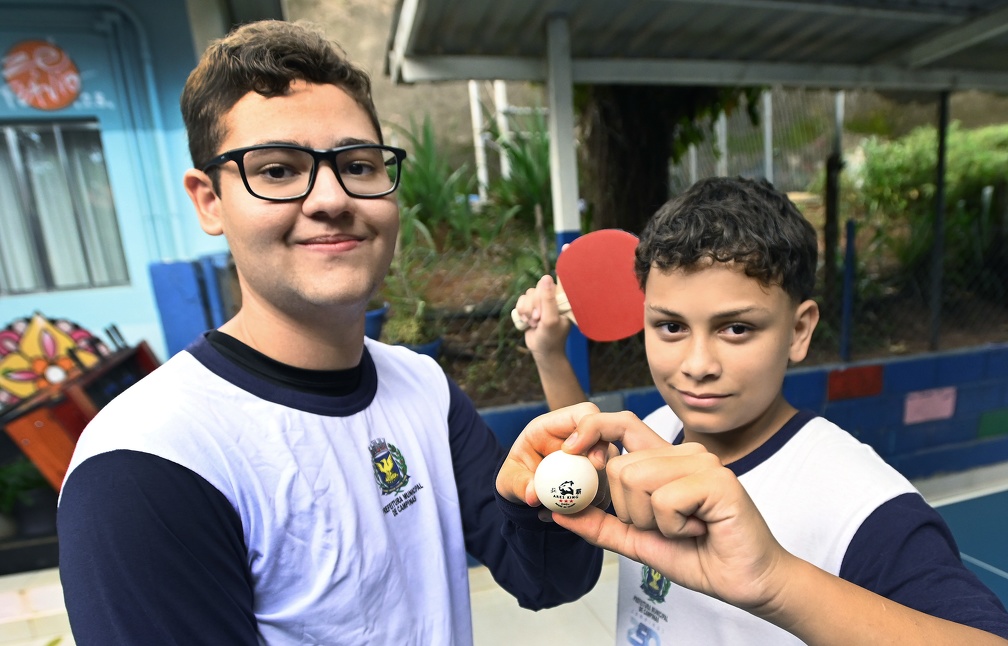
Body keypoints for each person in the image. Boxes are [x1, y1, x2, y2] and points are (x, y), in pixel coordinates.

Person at [57, 20, 606, 645]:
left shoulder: (423, 387)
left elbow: (549, 578)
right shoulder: (147, 462)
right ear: (209, 200)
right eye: (277, 170)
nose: (331, 199)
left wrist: (561, 474)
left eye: (358, 165)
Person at [506, 177, 1008, 643]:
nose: (697, 366)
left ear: (799, 331)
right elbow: (585, 449)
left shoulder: (863, 505)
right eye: (671, 327)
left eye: (736, 328)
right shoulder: (651, 434)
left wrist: (776, 580)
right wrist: (549, 355)